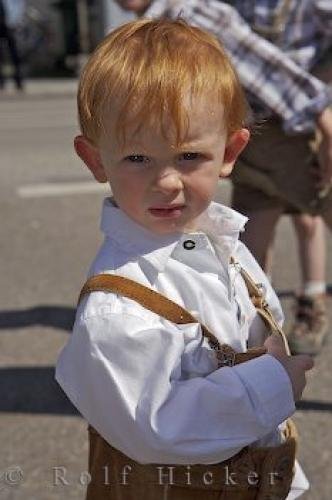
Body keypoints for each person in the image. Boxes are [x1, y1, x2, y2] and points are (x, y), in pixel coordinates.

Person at [56, 18, 314, 499]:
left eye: (190, 156)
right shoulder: (117, 308)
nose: (167, 181)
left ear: (231, 150)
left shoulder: (224, 243)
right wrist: (271, 382)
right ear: (96, 161)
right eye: (137, 159)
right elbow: (156, 425)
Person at [113, 0, 332, 356]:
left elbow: (265, 67)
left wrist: (321, 110)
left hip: (286, 133)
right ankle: (252, 344)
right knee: (247, 236)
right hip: (255, 136)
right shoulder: (150, 32)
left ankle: (291, 315)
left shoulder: (190, 16)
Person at [0, 0, 25, 90]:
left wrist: (17, 23)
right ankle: (1, 81)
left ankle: (18, 80)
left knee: (16, 55)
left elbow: (19, 8)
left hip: (11, 26)